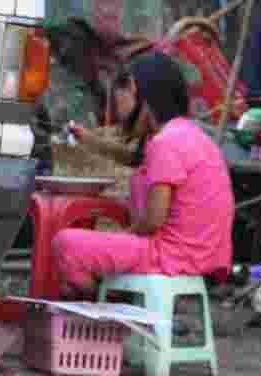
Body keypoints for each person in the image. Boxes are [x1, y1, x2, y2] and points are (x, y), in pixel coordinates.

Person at [53, 50, 234, 300]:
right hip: (201, 256)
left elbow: (153, 221)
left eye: (120, 102)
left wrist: (119, 239)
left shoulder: (165, 143)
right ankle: (107, 296)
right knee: (80, 265)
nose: (119, 114)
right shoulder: (188, 135)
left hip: (169, 255)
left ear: (134, 89)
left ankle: (107, 304)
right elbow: (136, 160)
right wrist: (89, 140)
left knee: (65, 244)